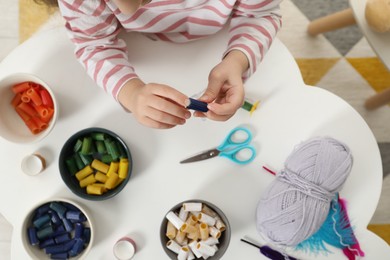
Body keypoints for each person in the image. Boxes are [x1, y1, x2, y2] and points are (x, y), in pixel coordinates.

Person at [35, 0, 282, 129]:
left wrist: (238, 60)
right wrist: (131, 93)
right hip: (148, 46)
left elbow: (261, 14)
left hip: (221, 36)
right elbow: (93, 44)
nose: (135, 8)